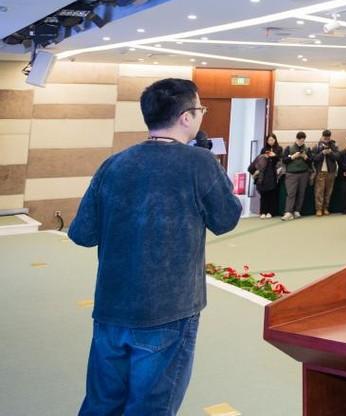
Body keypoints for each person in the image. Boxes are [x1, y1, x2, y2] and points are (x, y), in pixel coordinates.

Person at [69, 78, 241, 414]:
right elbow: (226, 219)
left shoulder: (114, 164)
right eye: (200, 109)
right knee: (150, 407)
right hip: (168, 309)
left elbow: (82, 233)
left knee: (101, 404)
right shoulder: (200, 163)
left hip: (111, 308)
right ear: (186, 117)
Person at [308, 129, 341, 217]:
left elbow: (338, 156)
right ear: (322, 136)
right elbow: (313, 159)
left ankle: (325, 208)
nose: (326, 139)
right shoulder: (317, 146)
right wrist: (322, 153)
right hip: (320, 172)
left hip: (331, 172)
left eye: (328, 138)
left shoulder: (334, 145)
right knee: (319, 192)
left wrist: (330, 153)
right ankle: (319, 209)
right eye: (325, 137)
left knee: (328, 192)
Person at [249, 133, 281, 219]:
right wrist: (265, 156)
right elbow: (259, 161)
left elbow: (279, 160)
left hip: (273, 173)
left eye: (272, 140)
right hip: (263, 173)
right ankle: (263, 211)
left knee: (271, 193)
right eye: (269, 140)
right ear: (267, 141)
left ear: (275, 140)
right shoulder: (264, 149)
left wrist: (274, 155)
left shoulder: (278, 149)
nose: (271, 141)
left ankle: (271, 212)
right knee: (263, 194)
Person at [282, 131, 311, 219]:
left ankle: (297, 211)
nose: (301, 142)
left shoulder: (307, 149)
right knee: (291, 194)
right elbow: (284, 160)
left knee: (301, 193)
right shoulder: (289, 148)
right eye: (300, 141)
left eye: (303, 141)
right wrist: (293, 157)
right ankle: (288, 212)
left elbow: (311, 161)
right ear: (296, 139)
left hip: (304, 173)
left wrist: (305, 157)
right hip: (291, 174)